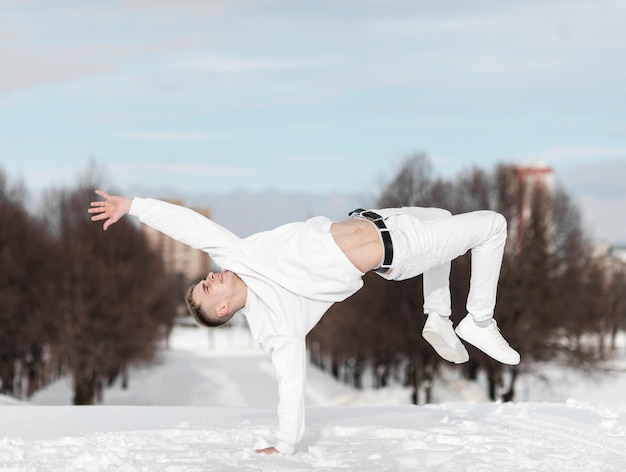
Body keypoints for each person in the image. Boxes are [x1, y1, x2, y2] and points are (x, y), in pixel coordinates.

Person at [89, 189, 520, 455]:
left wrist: (133, 206)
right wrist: (287, 441)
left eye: (203, 280)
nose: (209, 277)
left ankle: (438, 317)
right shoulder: (279, 322)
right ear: (222, 310)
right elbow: (290, 382)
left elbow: (189, 226)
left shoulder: (237, 255)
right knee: (492, 226)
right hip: (400, 250)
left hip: (384, 216)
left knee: (445, 218)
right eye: (207, 288)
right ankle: (478, 319)